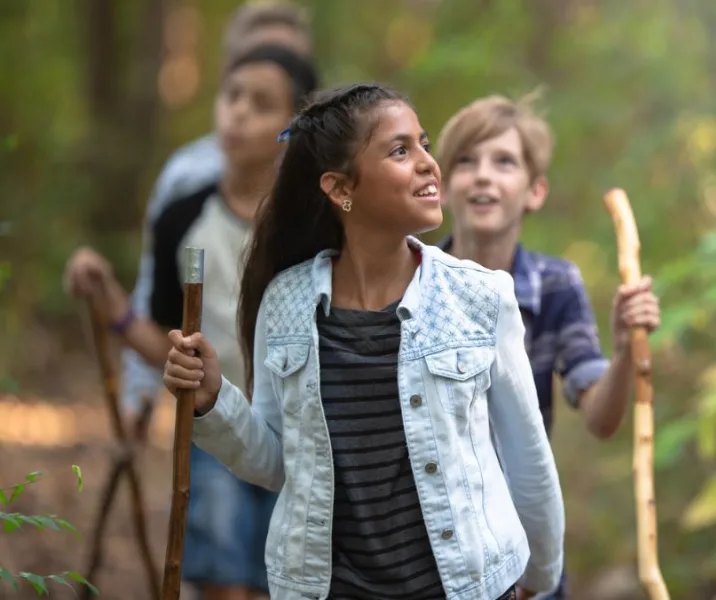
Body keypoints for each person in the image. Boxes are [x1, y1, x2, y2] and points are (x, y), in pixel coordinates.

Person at [159, 82, 565, 600]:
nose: (428, 164)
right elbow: (278, 462)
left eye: (425, 143)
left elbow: (527, 456)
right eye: (400, 150)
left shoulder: (480, 297)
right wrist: (214, 401)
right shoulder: (285, 301)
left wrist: (540, 578)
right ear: (340, 188)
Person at [65, 44, 320, 600]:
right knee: (223, 582)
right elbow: (164, 342)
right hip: (211, 430)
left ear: (295, 126)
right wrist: (110, 297)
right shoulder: (183, 217)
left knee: (288, 581)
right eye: (232, 96)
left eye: (261, 103)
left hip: (304, 433)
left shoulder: (314, 230)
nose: (239, 113)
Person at [433, 93, 662, 598]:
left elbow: (601, 417)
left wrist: (625, 350)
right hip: (430, 545)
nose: (484, 175)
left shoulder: (556, 285)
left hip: (523, 544)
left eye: (504, 162)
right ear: (444, 185)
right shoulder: (412, 280)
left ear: (534, 191)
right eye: (466, 161)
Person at [120, 0, 314, 427]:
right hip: (217, 413)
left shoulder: (320, 205)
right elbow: (156, 289)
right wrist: (139, 393)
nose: (243, 109)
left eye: (286, 62)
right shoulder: (185, 183)